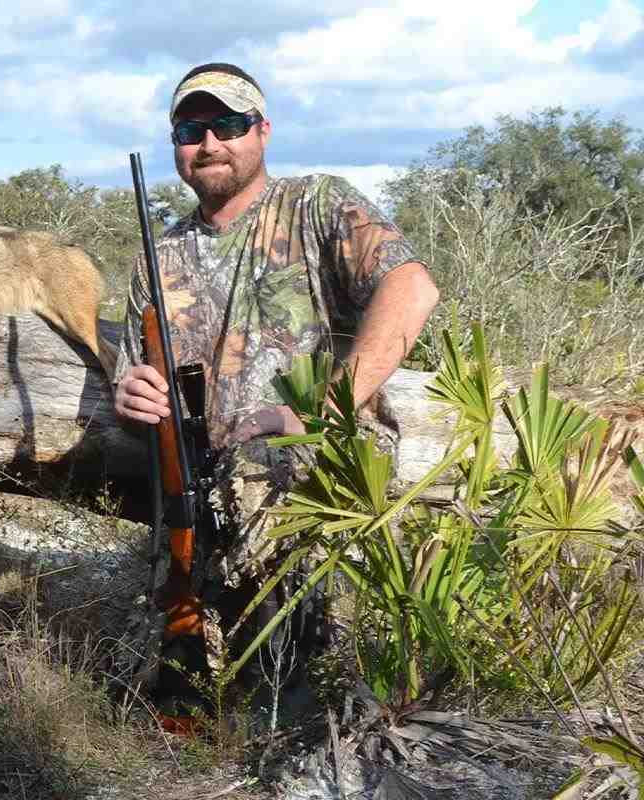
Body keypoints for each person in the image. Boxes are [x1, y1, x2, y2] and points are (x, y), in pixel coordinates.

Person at [112, 63, 439, 698]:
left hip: (316, 490)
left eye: (229, 125)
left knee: (319, 687)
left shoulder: (316, 203)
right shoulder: (161, 255)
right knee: (172, 691)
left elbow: (412, 288)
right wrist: (131, 395)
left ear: (262, 130)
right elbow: (136, 374)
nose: (210, 144)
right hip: (198, 502)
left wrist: (325, 410)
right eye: (191, 129)